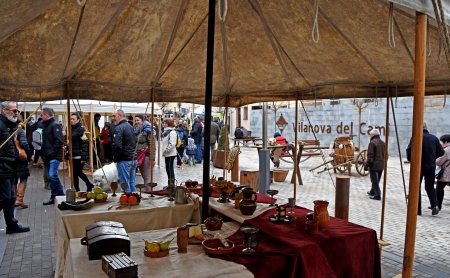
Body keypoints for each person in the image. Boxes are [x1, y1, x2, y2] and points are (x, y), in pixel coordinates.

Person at [0, 101, 30, 233]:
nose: (16, 113)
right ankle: (11, 224)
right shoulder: (0, 124)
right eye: (14, 111)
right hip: (2, 166)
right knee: (6, 197)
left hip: (10, 165)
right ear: (4, 110)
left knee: (11, 197)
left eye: (17, 111)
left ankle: (11, 225)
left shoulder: (10, 124)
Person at [406, 122, 444, 216]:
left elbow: (409, 150)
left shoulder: (416, 137)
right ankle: (435, 205)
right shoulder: (434, 138)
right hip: (431, 166)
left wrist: (411, 159)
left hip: (418, 166)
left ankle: (417, 210)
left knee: (416, 187)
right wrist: (432, 157)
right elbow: (441, 152)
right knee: (430, 187)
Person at [41, 107, 65, 205]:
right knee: (50, 176)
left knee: (52, 175)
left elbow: (59, 141)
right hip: (46, 156)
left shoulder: (55, 125)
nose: (41, 116)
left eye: (42, 115)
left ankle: (59, 195)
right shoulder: (44, 126)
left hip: (54, 156)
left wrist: (51, 153)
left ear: (46, 115)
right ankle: (56, 195)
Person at [111, 109, 137, 192]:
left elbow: (117, 145)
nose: (112, 118)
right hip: (133, 159)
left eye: (114, 116)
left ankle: (128, 202)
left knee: (125, 183)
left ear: (120, 116)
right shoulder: (130, 126)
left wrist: (116, 158)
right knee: (132, 182)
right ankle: (134, 200)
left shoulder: (119, 128)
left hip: (124, 159)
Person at [70, 112, 94, 192]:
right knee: (74, 174)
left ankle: (88, 184)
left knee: (79, 172)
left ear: (78, 120)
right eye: (71, 119)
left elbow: (85, 143)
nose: (71, 120)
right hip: (72, 154)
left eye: (73, 119)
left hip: (79, 155)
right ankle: (77, 189)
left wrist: (84, 157)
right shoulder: (70, 128)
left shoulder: (81, 130)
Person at [134, 114, 156, 190]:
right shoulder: (134, 129)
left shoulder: (148, 130)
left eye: (138, 120)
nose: (136, 122)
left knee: (146, 176)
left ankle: (149, 193)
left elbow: (152, 144)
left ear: (142, 121)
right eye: (135, 120)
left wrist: (152, 158)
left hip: (145, 156)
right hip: (135, 155)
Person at [15, 115, 32, 208]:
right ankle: (19, 199)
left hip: (10, 158)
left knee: (13, 179)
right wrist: (29, 153)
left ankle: (13, 199)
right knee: (23, 178)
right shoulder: (19, 131)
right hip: (20, 158)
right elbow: (24, 143)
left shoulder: (8, 130)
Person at [365, 129, 385, 200]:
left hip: (374, 165)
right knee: (377, 180)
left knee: (374, 180)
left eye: (370, 135)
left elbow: (370, 156)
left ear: (373, 135)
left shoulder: (372, 143)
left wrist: (366, 165)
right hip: (381, 164)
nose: (369, 136)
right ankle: (372, 191)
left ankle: (377, 195)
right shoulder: (383, 143)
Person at [436, 134, 450, 211]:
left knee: (439, 188)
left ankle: (438, 205)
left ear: (446, 141)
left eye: (441, 142)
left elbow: (439, 162)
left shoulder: (446, 150)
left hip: (446, 173)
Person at [162, 118, 177, 183]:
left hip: (170, 154)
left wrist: (166, 151)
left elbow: (172, 143)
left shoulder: (172, 132)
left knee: (170, 169)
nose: (164, 124)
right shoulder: (166, 131)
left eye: (165, 123)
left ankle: (171, 184)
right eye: (164, 123)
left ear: (168, 124)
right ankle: (170, 184)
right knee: (168, 169)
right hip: (167, 153)